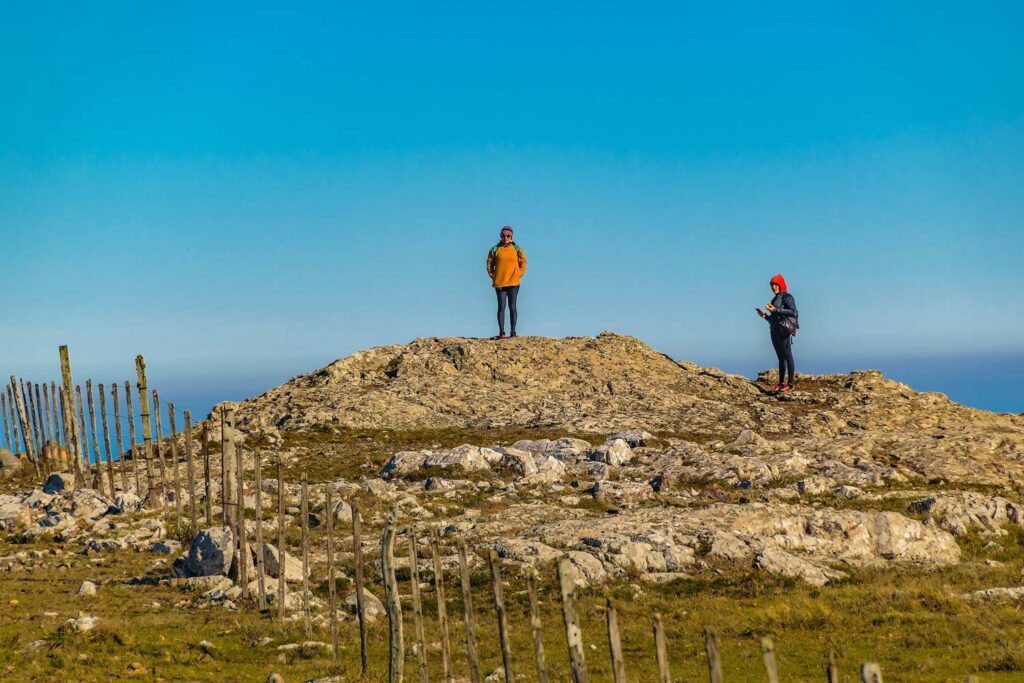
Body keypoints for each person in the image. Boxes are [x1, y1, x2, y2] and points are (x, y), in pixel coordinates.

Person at [756, 274, 799, 394]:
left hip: (784, 330)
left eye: (775, 284)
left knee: (787, 356)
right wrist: (764, 316)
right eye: (772, 285)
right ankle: (781, 384)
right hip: (774, 330)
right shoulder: (774, 300)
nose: (773, 287)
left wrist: (777, 310)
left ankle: (790, 385)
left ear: (780, 285)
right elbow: (773, 319)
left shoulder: (787, 297)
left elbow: (793, 312)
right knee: (781, 358)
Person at [485, 226, 527, 339]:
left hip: (514, 282)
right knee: (501, 307)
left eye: (508, 236)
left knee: (512, 306)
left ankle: (513, 332)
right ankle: (502, 332)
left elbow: (523, 262)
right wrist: (493, 276)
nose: (505, 238)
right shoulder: (495, 249)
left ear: (511, 236)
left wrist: (519, 274)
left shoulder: (517, 249)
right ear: (500, 236)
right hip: (500, 283)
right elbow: (489, 264)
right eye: (503, 236)